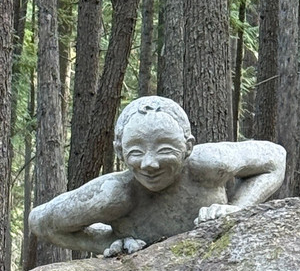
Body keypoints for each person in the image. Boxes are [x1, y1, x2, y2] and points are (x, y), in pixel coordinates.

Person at [29, 96, 286, 256]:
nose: (150, 164)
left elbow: (275, 157)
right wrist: (109, 241)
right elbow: (40, 222)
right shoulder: (114, 195)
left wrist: (237, 208)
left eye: (164, 150)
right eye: (136, 152)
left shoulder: (208, 164)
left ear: (187, 147)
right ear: (120, 152)